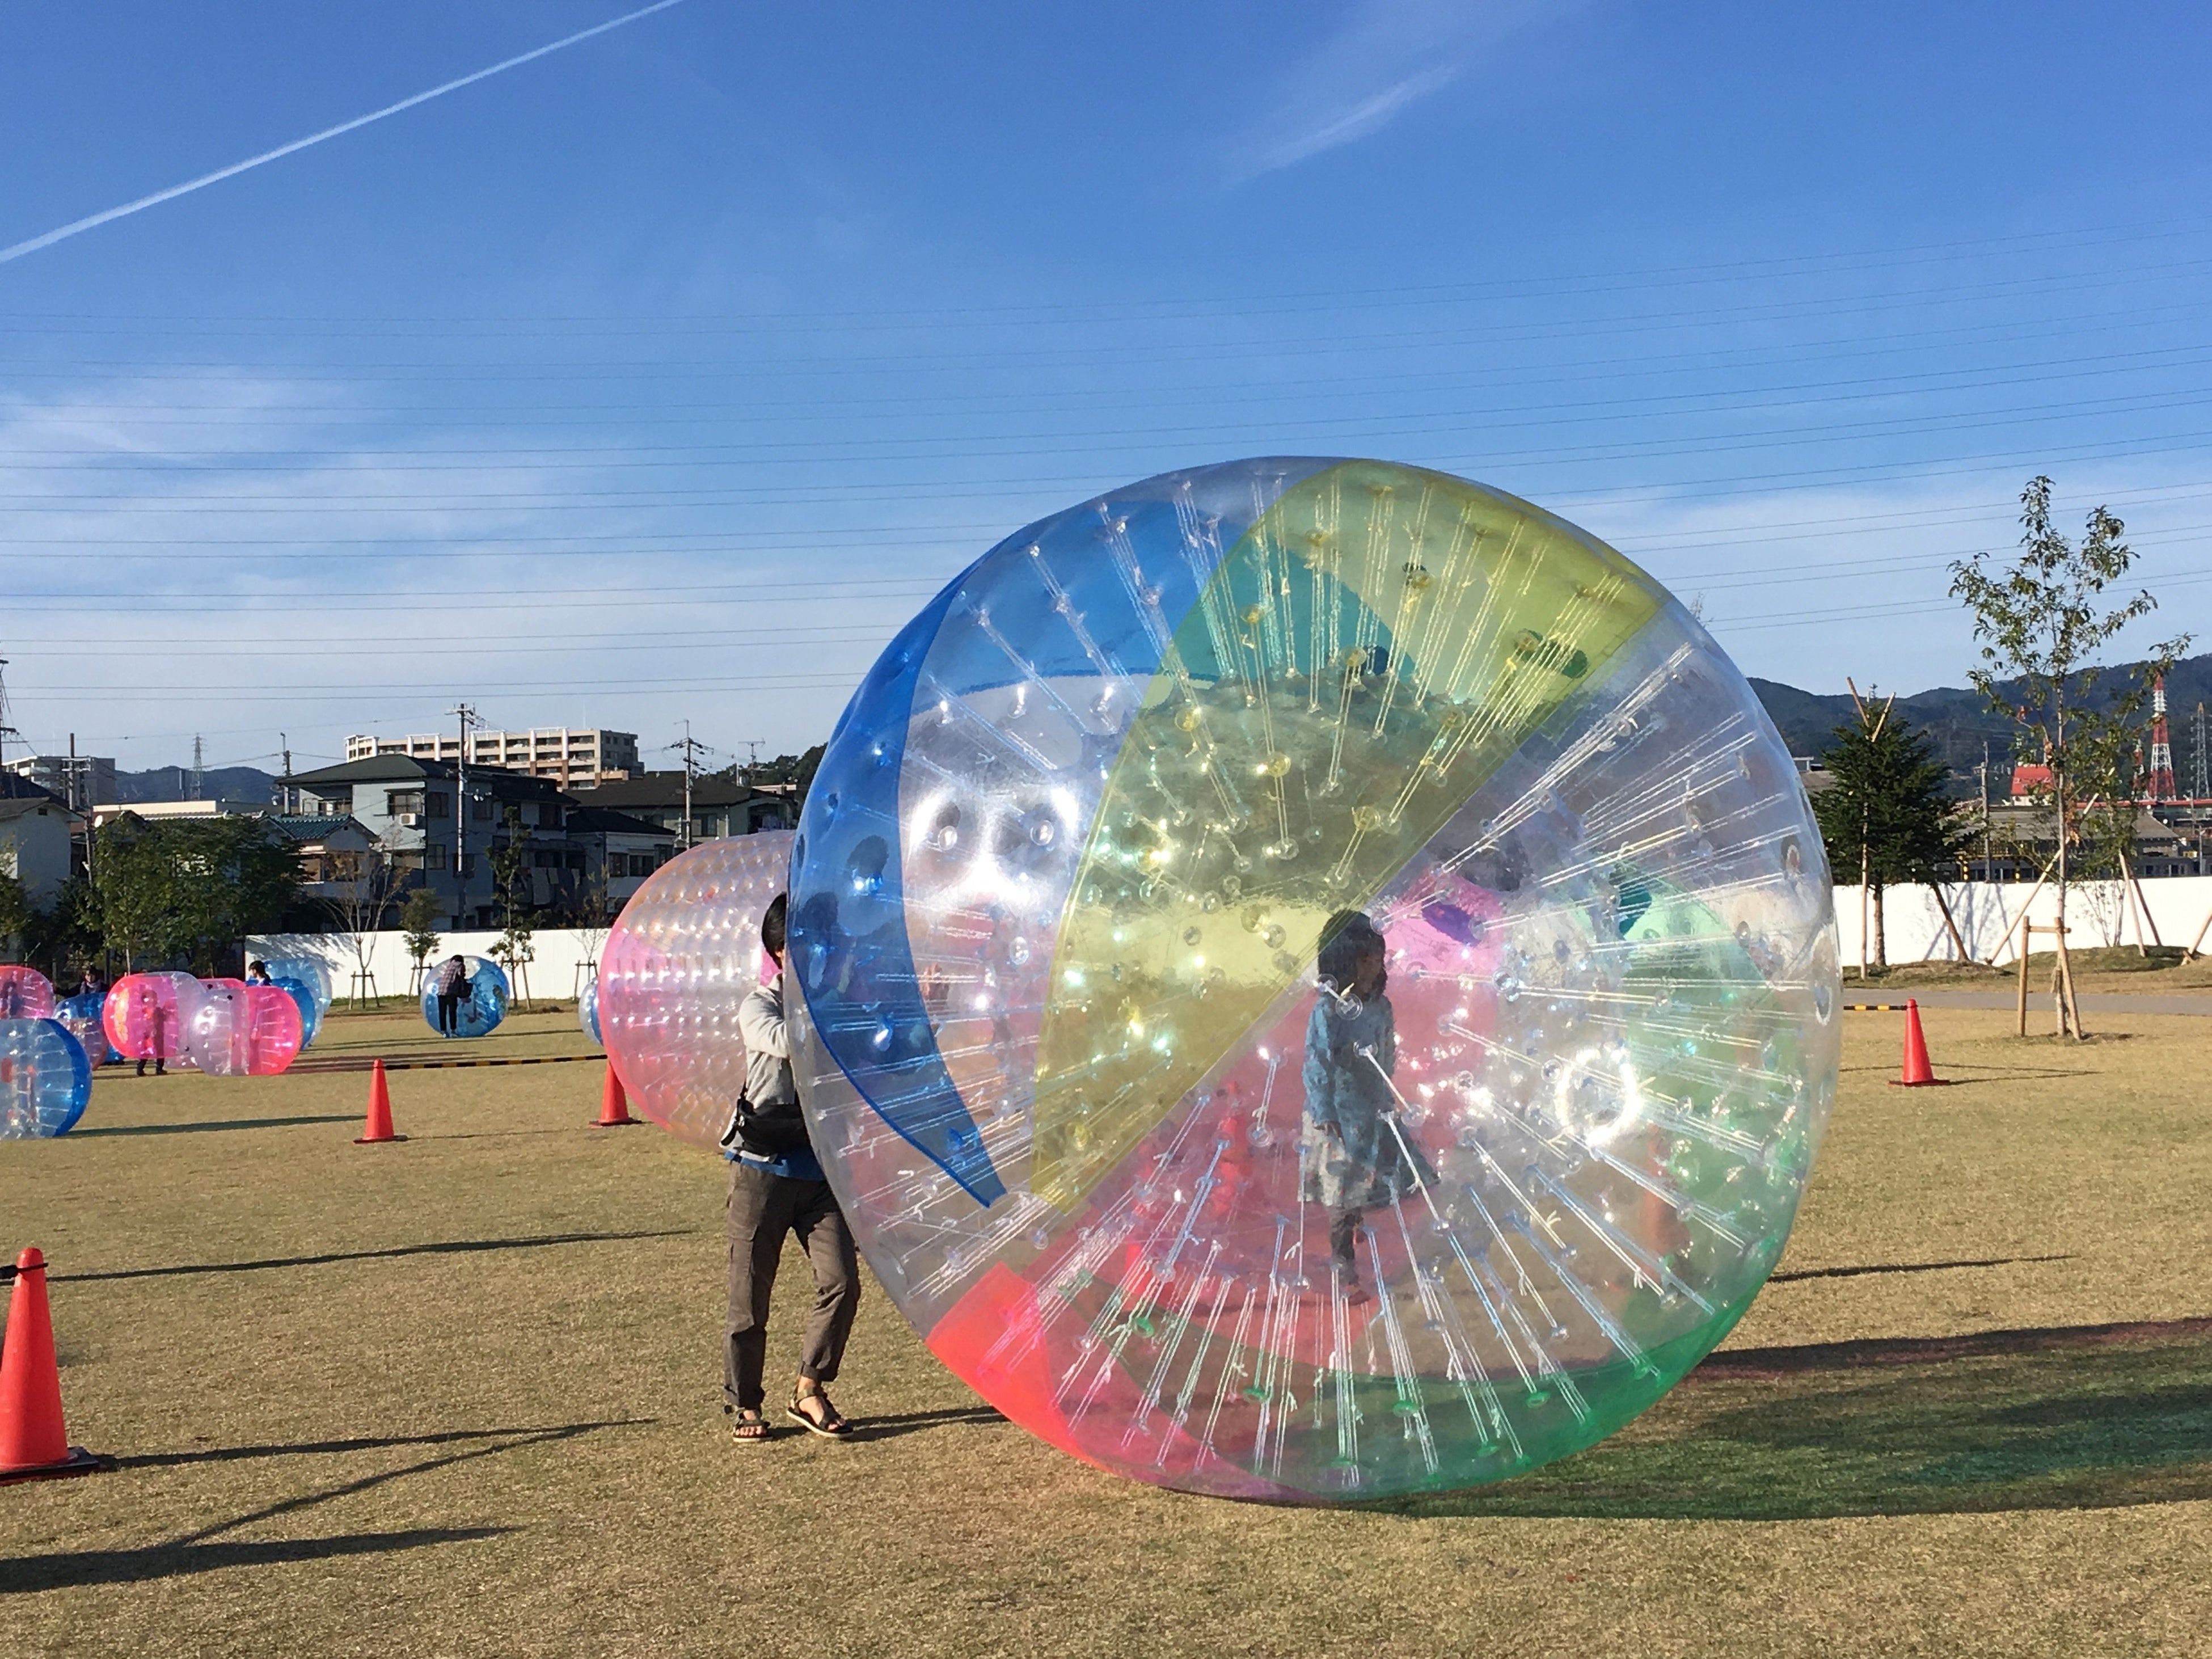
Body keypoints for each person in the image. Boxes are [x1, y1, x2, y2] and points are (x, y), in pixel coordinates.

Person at [724, 893, 861, 1444]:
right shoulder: (760, 1006)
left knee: (842, 1284)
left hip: (820, 1173)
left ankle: (809, 1386)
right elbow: (784, 1043)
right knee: (750, 1297)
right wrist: (838, 1017)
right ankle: (745, 1404)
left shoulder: (837, 1001)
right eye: (813, 944)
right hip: (762, 1169)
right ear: (783, 952)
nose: (826, 954)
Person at [1301, 909, 1430, 1303]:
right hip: (1337, 1116)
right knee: (1342, 1195)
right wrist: (1325, 1113)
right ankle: (1346, 1272)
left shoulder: (1380, 1007)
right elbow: (1317, 1062)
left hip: (1369, 1110)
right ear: (1342, 960)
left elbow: (1387, 1053)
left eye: (1377, 958)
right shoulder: (1327, 1011)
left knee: (1368, 1182)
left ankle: (1355, 1221)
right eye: (1363, 959)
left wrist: (1385, 1094)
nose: (1373, 967)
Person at [433, 955, 469, 1035]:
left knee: (442, 1012)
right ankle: (453, 1031)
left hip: (441, 991)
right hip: (450, 991)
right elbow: (461, 975)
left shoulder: (449, 966)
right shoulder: (460, 965)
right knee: (452, 1012)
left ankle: (443, 1031)